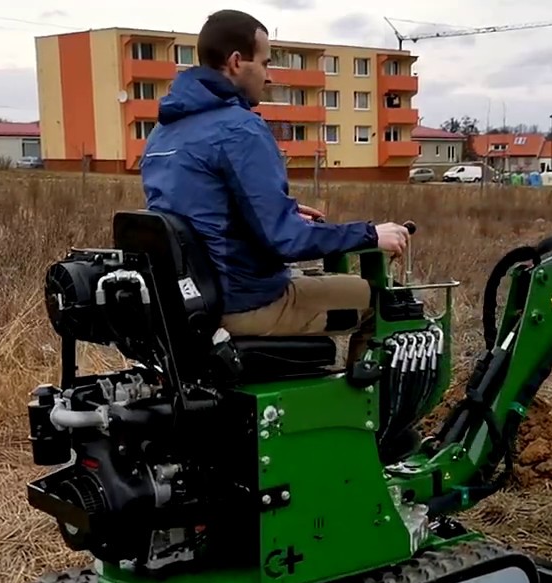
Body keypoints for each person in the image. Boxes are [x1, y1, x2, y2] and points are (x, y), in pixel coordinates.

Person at [139, 9, 410, 362]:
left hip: (185, 300)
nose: (268, 77)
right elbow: (285, 240)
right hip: (243, 302)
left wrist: (280, 210)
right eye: (265, 63)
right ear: (237, 62)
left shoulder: (164, 131)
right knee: (385, 303)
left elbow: (196, 209)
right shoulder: (240, 128)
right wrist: (371, 234)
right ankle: (374, 415)